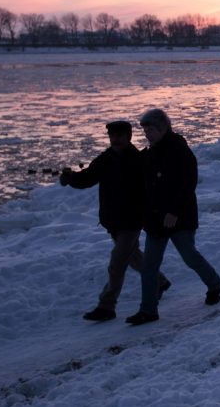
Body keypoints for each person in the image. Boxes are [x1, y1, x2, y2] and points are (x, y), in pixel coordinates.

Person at [60, 121, 171, 321]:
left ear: (128, 137)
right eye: (113, 136)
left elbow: (155, 187)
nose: (116, 139)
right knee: (132, 256)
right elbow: (87, 179)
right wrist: (70, 178)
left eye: (120, 135)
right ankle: (159, 281)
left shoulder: (138, 160)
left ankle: (107, 306)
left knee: (117, 262)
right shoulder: (105, 159)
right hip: (112, 221)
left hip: (132, 221)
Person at [126, 108, 220, 326]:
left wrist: (174, 212)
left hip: (179, 218)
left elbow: (188, 182)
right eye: (145, 130)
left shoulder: (179, 150)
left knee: (189, 256)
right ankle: (148, 310)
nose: (147, 134)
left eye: (151, 129)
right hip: (155, 219)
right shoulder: (149, 153)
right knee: (149, 266)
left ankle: (215, 284)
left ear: (163, 128)